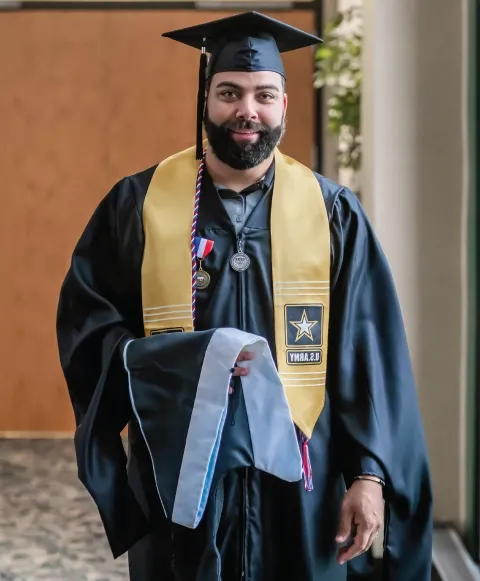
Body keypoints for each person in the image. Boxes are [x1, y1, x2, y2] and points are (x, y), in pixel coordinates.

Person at [56, 11, 433, 581]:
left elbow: (370, 353)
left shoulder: (332, 213)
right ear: (205, 99)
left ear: (283, 103)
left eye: (264, 94)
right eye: (229, 93)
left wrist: (370, 475)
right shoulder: (139, 204)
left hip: (304, 479)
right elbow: (88, 325)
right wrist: (170, 365)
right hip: (181, 473)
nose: (246, 111)